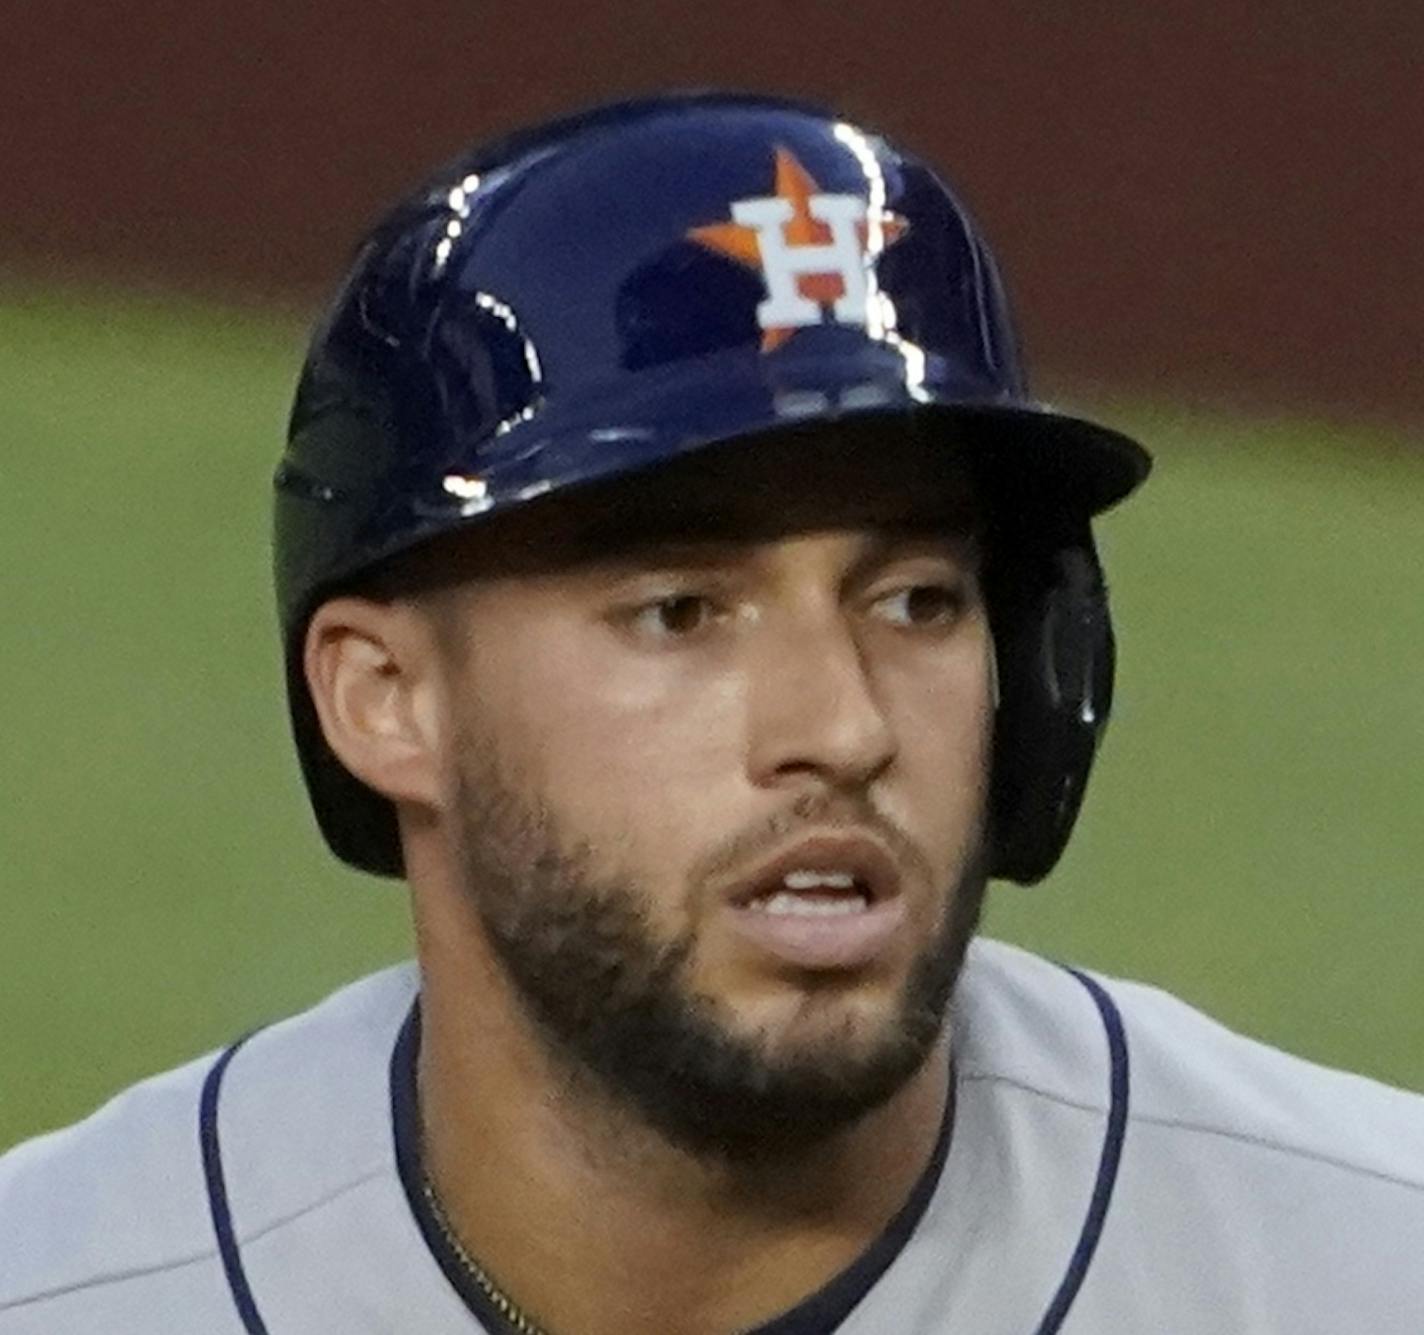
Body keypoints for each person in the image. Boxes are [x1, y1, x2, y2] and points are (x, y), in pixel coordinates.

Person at [2, 91, 1420, 1335]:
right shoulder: (74, 1289)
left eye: (918, 599)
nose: (843, 728)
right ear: (386, 702)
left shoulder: (1360, 1271)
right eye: (680, 611)